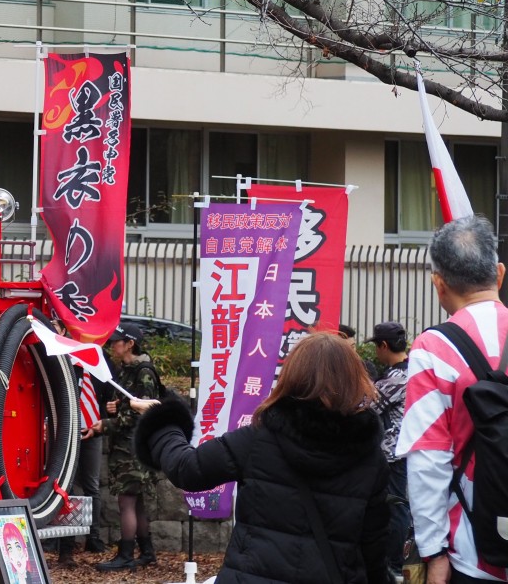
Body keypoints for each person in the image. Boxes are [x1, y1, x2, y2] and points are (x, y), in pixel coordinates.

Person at [132, 332, 389, 583]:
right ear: (355, 379)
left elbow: (186, 469)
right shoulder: (370, 457)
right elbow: (374, 548)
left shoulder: (259, 439)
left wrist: (163, 422)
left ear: (292, 376)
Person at [397, 215, 508, 584]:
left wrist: (433, 551)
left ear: (438, 284)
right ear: (500, 273)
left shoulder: (433, 347)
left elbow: (428, 459)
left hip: (473, 551)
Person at [95, 322, 160, 571]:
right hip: (126, 447)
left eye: (116, 341)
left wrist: (106, 424)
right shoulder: (127, 371)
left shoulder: (144, 372)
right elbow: (126, 405)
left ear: (130, 344)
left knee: (127, 502)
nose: (112, 346)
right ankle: (147, 552)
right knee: (137, 501)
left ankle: (125, 555)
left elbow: (144, 412)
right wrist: (115, 407)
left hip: (133, 448)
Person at [367, 320, 411, 584]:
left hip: (394, 454)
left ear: (384, 345)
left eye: (377, 346)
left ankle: (394, 566)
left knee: (396, 509)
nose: (376, 352)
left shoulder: (397, 378)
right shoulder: (414, 369)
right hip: (406, 451)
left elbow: (367, 405)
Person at [56, 364, 110, 566]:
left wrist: (100, 425)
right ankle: (65, 544)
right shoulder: (63, 361)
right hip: (67, 433)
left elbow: (109, 397)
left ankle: (92, 537)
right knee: (66, 487)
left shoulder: (99, 364)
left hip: (94, 432)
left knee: (92, 486)